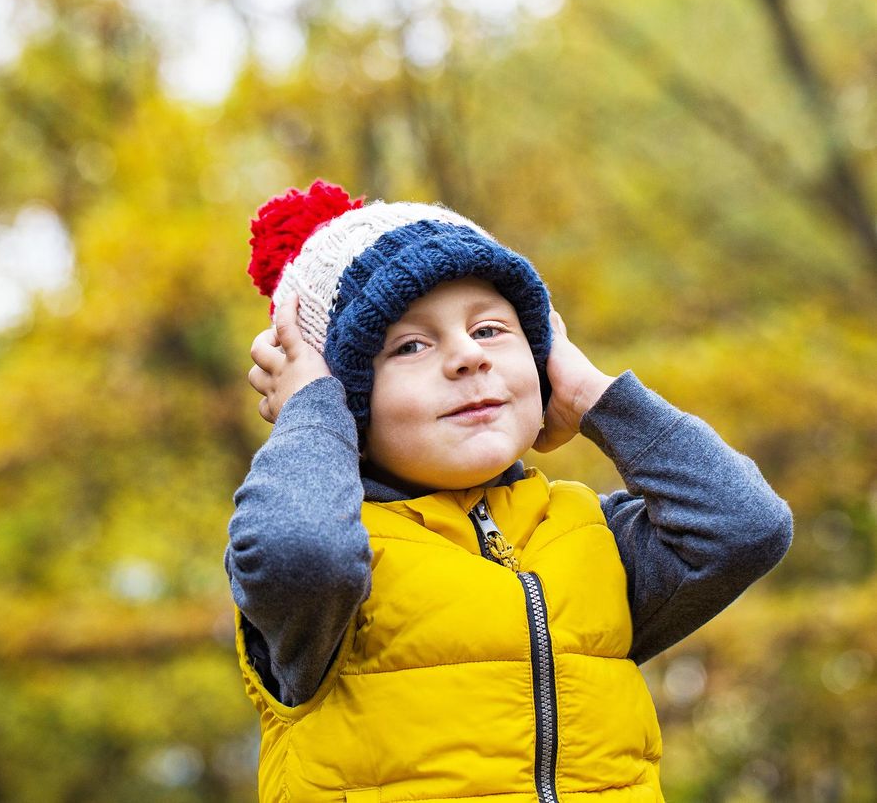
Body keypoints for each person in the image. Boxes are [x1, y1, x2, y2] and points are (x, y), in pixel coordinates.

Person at [225, 180, 793, 803]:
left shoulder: (592, 538)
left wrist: (587, 392)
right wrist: (310, 407)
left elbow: (745, 525)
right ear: (347, 402)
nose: (468, 355)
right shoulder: (335, 575)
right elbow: (300, 553)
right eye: (411, 345)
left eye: (493, 329)